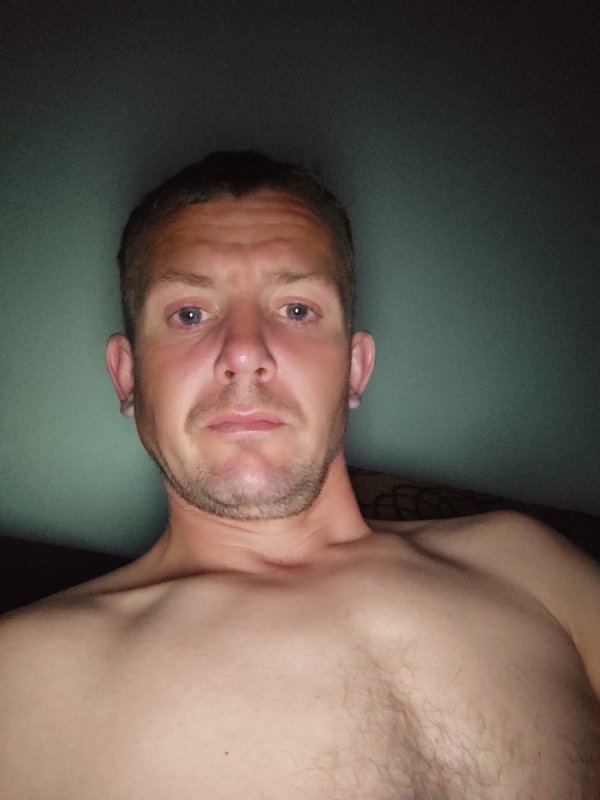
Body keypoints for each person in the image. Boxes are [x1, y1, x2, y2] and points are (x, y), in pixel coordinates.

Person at [1, 151, 599, 799]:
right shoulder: (24, 680)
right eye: (190, 314)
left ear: (355, 370)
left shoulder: (528, 564)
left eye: (295, 310)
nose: (244, 352)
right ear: (128, 377)